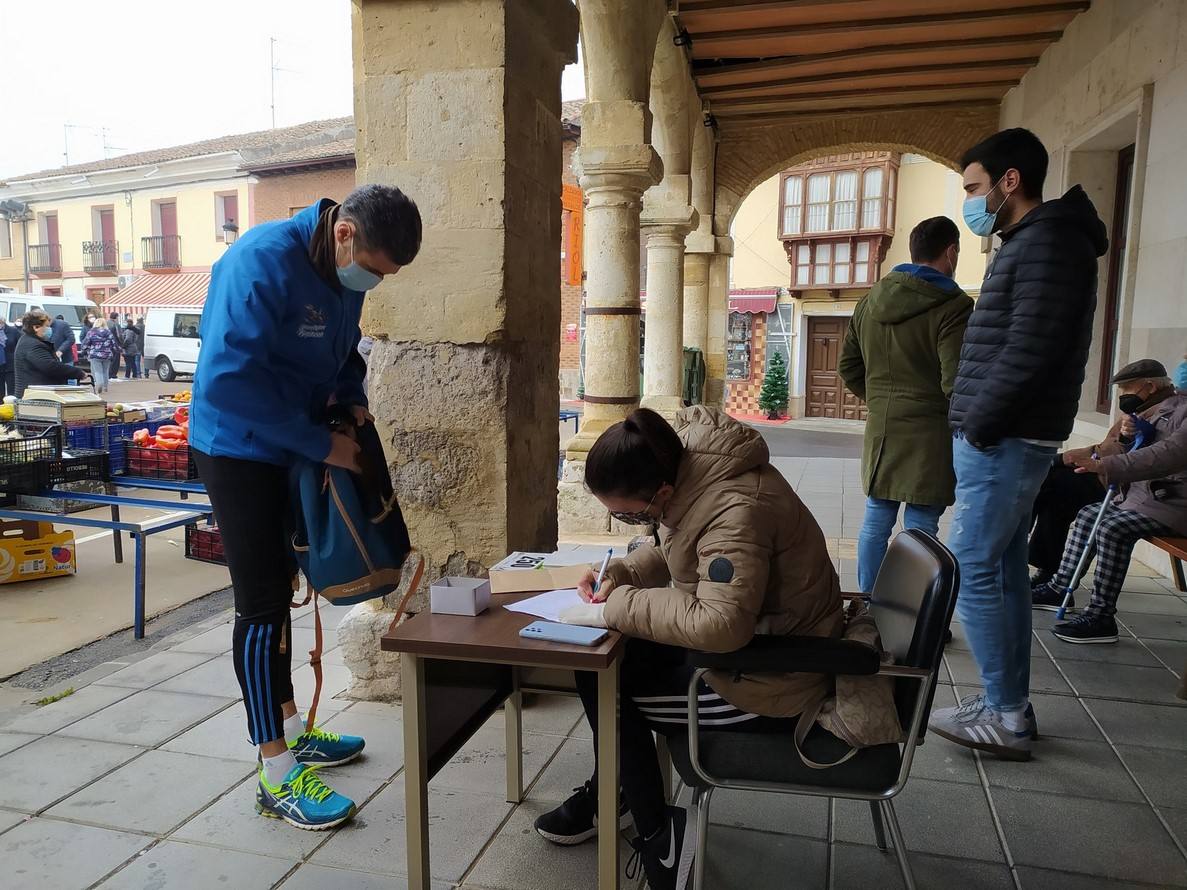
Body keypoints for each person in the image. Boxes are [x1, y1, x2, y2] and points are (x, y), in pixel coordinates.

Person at [190, 184, 421, 831]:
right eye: (373, 270)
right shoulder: (259, 262)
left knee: (289, 585)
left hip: (293, 440)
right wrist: (322, 444)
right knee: (261, 605)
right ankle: (275, 773)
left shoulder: (343, 268)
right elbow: (228, 385)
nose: (373, 283)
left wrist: (351, 399)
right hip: (237, 448)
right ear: (344, 233)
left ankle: (292, 730)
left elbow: (344, 350)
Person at [539, 406, 843, 890]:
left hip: (772, 679)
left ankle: (658, 835)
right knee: (602, 666)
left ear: (661, 493)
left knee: (610, 687)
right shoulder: (692, 471)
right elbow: (674, 547)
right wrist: (620, 573)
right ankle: (615, 793)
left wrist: (617, 606)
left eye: (629, 514)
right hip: (755, 648)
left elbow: (721, 625)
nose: (628, 522)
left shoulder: (735, 511)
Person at [927, 128, 1108, 762]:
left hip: (1005, 435)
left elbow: (1031, 347)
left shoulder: (1048, 243)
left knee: (973, 564)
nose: (970, 201)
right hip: (1006, 432)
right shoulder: (1033, 241)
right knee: (1002, 570)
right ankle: (1009, 704)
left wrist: (979, 423)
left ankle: (1005, 713)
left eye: (974, 187)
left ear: (1010, 181)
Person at [839, 216, 973, 592]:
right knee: (921, 526)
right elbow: (955, 381)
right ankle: (912, 609)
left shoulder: (870, 300)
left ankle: (869, 602)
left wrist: (880, 400)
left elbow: (848, 367)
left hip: (882, 429)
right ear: (951, 252)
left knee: (876, 520)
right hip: (930, 433)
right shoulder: (954, 305)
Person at [1043, 388, 1187, 642]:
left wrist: (1104, 465)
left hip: (1176, 501)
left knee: (1113, 528)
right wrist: (1130, 433)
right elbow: (1146, 443)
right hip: (1150, 495)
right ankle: (1060, 587)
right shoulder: (1174, 403)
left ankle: (1101, 616)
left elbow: (1168, 455)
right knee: (1089, 515)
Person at [1028, 360, 1176, 589]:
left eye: (1127, 388)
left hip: (1126, 486)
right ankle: (1038, 564)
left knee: (1055, 484)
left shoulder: (1168, 411)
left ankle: (1039, 566)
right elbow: (1113, 445)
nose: (1123, 395)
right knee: (1050, 484)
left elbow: (1142, 456)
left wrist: (1069, 458)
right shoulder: (1142, 408)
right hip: (1112, 476)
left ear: (1150, 386)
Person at [14, 310, 89, 398]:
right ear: (36, 327)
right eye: (47, 326)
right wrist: (77, 372)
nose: (50, 329)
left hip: (36, 393)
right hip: (36, 396)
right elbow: (50, 366)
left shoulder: (28, 340)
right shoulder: (33, 344)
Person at [81, 318, 118, 394]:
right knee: (105, 371)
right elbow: (114, 344)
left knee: (98, 371)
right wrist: (115, 350)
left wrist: (85, 350)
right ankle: (105, 387)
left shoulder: (91, 332)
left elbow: (85, 343)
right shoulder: (108, 332)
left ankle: (99, 384)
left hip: (95, 354)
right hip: (107, 354)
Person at [1, 321, 19, 400]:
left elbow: (20, 345)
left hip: (11, 365)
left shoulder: (13, 330)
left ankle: (13, 406)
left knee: (12, 391)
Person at [108, 312, 122, 377]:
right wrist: (121, 343)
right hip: (115, 344)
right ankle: (113, 374)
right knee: (115, 360)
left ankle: (108, 373)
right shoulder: (116, 324)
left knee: (109, 360)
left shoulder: (106, 323)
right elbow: (119, 335)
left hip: (107, 344)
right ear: (116, 317)